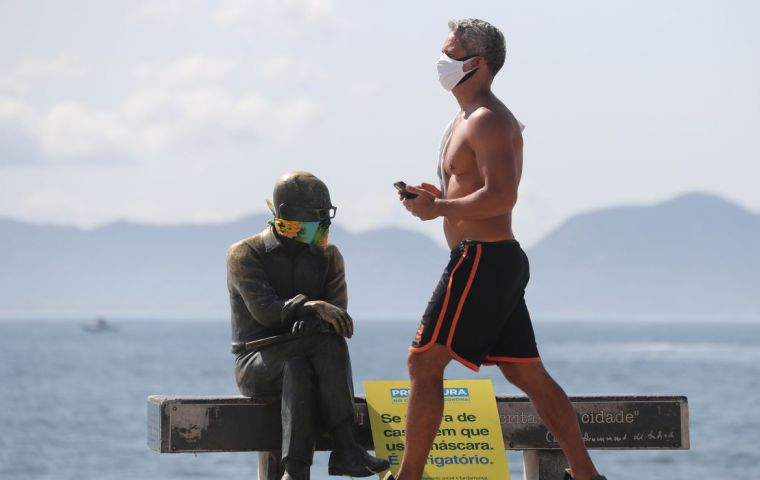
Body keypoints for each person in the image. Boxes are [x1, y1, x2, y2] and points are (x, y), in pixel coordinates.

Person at [394, 19, 606, 480]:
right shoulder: (464, 119)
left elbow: (502, 196)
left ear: (479, 63)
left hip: (482, 258)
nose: (442, 62)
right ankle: (586, 475)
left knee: (424, 360)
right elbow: (473, 187)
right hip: (491, 260)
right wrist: (436, 197)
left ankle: (408, 477)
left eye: (452, 54)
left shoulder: (489, 119)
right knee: (525, 371)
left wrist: (440, 208)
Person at [227, 171, 389, 480]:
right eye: (316, 217)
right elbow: (264, 311)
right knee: (310, 351)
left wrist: (311, 323)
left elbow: (338, 318)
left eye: (326, 214)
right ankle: (345, 448)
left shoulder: (328, 256)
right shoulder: (245, 254)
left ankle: (297, 471)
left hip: (303, 357)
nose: (324, 223)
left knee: (300, 363)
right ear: (286, 214)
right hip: (255, 361)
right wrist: (311, 307)